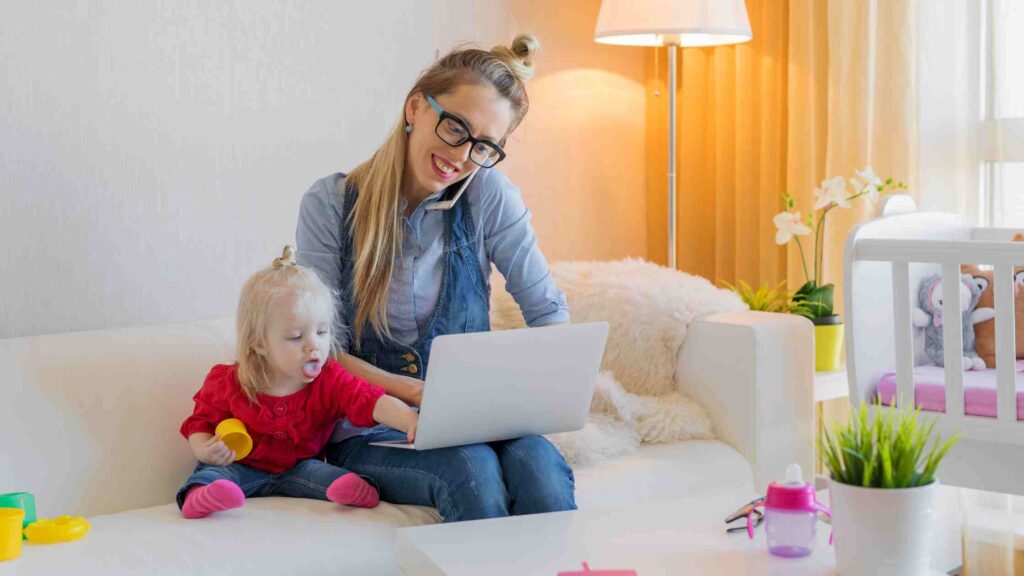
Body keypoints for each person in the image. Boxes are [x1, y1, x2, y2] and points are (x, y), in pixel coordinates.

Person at [295, 33, 575, 522]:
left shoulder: (487, 194)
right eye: (456, 129)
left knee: (539, 467)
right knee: (470, 470)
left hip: (475, 418)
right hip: (370, 428)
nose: (463, 156)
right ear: (415, 110)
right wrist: (421, 394)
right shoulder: (330, 204)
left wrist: (534, 392)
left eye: (484, 146)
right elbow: (323, 353)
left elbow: (549, 313)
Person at [176, 246, 419, 519]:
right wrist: (206, 450)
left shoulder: (329, 379)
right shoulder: (231, 381)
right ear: (259, 343)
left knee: (335, 476)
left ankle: (354, 491)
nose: (313, 346)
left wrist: (410, 421)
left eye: (322, 332)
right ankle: (201, 496)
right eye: (295, 337)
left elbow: (372, 400)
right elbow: (200, 422)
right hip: (241, 464)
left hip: (301, 467)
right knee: (213, 474)